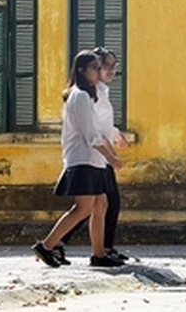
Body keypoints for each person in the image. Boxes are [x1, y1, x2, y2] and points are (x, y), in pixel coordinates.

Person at [32, 50, 124, 268]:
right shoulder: (80, 96)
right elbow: (91, 136)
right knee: (83, 208)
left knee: (101, 204)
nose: (98, 71)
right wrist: (112, 157)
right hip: (83, 159)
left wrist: (110, 154)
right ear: (82, 71)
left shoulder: (89, 95)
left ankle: (99, 254)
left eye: (98, 67)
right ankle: (46, 245)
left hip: (94, 160)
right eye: (94, 67)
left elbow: (99, 132)